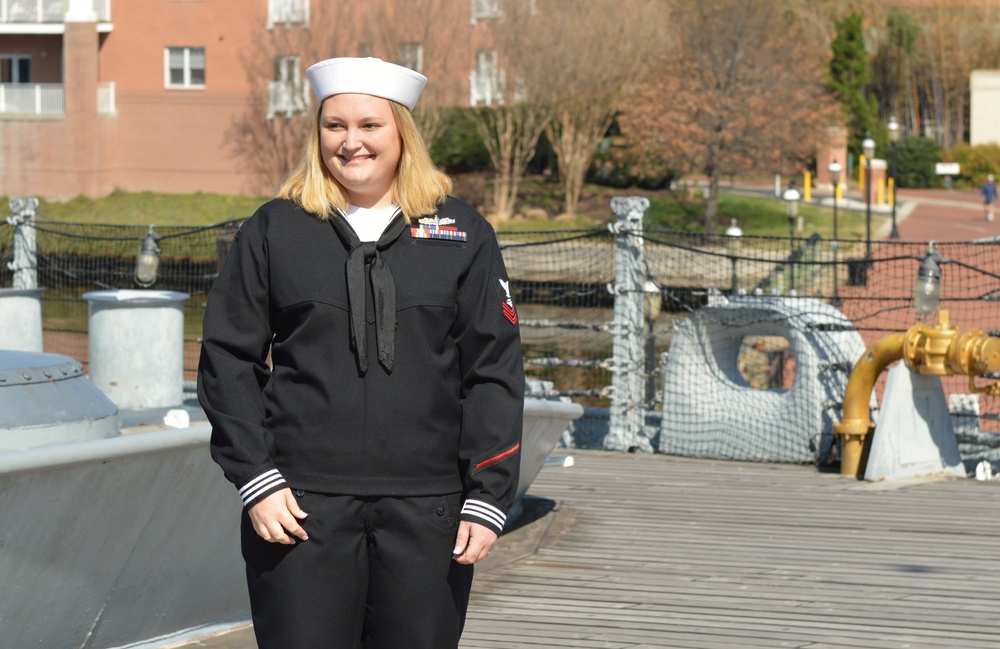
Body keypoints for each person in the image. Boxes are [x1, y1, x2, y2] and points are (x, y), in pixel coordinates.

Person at [198, 57, 524, 649]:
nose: (351, 143)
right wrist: (256, 479)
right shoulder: (275, 230)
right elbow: (227, 359)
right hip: (298, 510)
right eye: (335, 126)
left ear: (402, 131)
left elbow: (493, 370)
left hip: (430, 513)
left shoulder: (462, 233)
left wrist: (488, 493)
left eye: (369, 125)